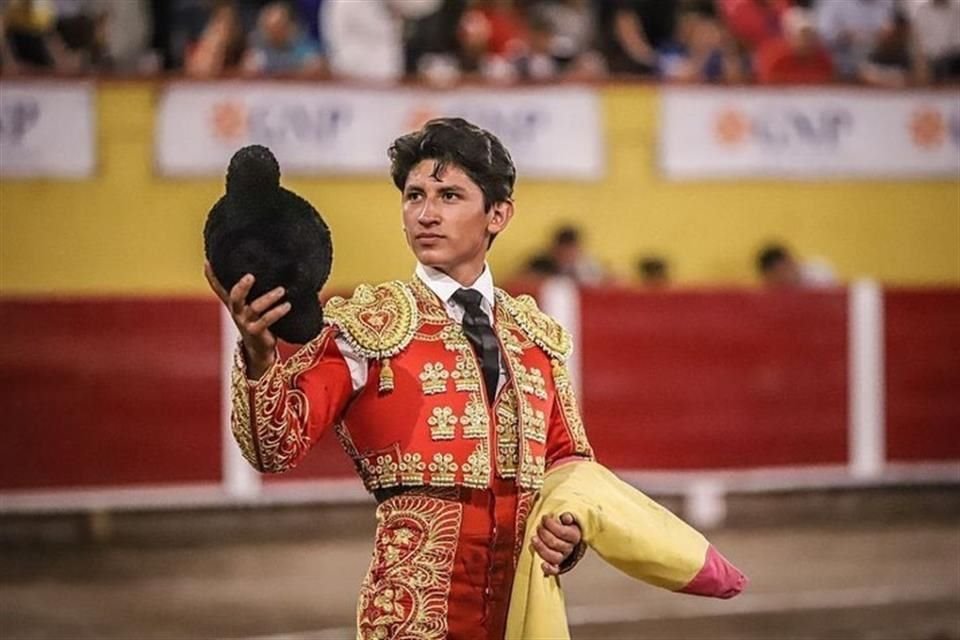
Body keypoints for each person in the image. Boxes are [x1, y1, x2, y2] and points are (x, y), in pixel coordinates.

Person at [205, 118, 593, 639]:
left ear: (497, 214)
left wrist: (570, 530)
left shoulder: (535, 338)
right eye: (414, 196)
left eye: (450, 195)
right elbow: (273, 446)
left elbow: (570, 465)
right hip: (411, 620)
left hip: (524, 614)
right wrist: (258, 355)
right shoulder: (367, 328)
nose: (426, 215)